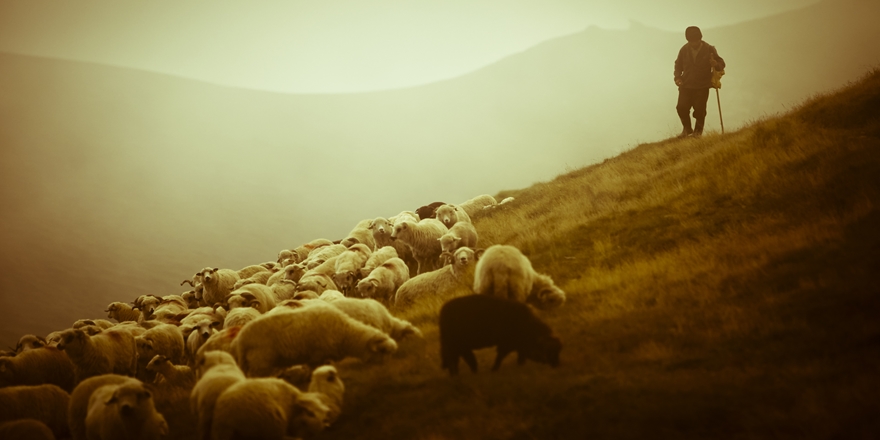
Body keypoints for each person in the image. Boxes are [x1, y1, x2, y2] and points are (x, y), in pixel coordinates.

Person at [674, 26, 725, 138]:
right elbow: (678, 65)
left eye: (696, 41)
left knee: (700, 110)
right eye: (691, 41)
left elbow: (721, 63)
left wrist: (715, 64)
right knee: (681, 107)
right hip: (686, 84)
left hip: (702, 86)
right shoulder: (684, 49)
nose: (693, 43)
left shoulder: (709, 49)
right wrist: (677, 78)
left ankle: (697, 133)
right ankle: (687, 129)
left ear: (700, 38)